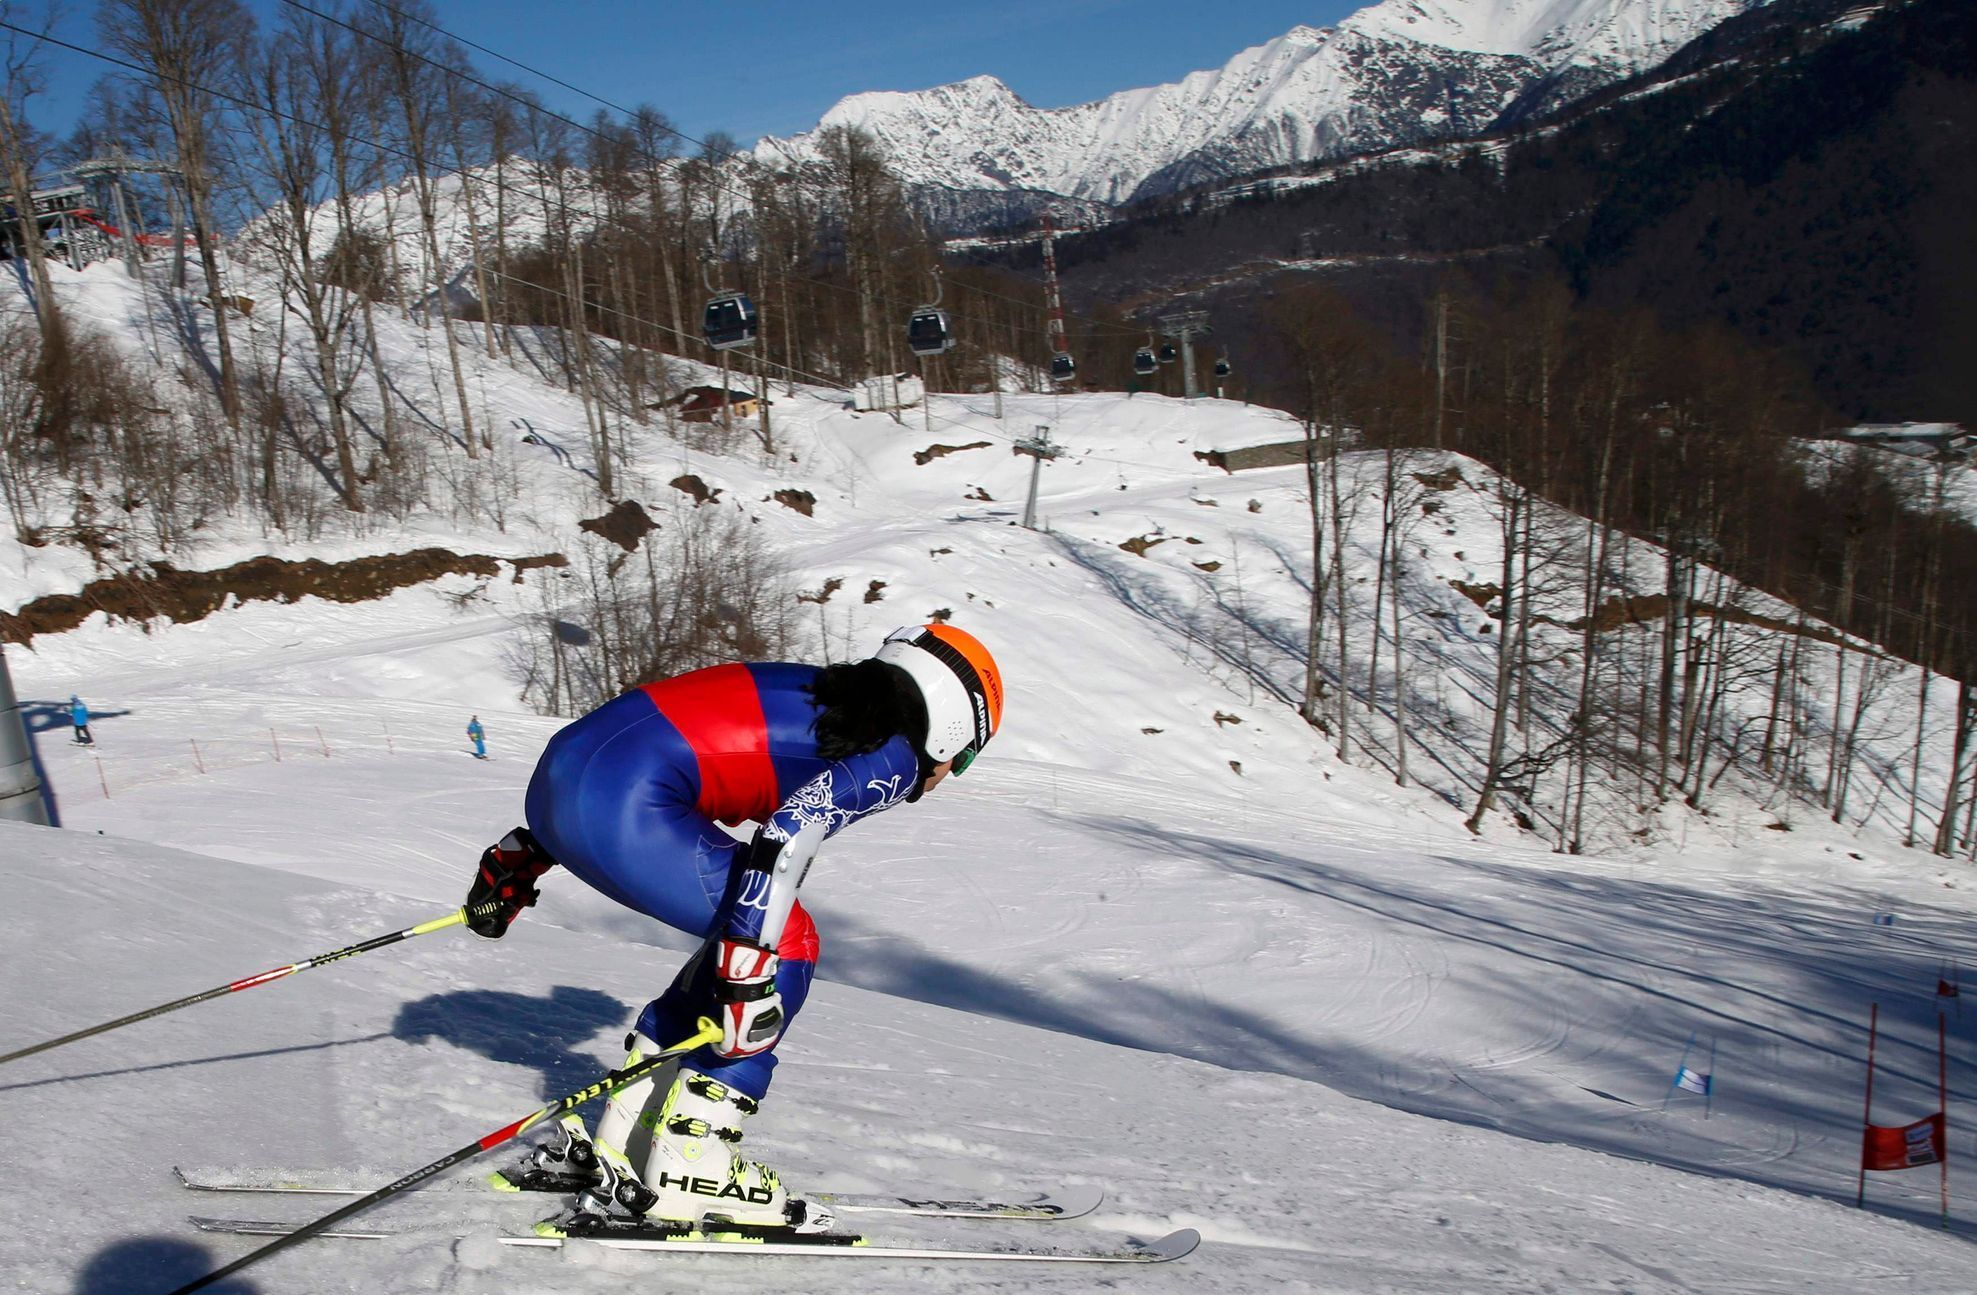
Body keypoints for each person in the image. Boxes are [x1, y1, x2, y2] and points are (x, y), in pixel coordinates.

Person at [463, 623, 1003, 1235]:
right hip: (623, 805)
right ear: (953, 724)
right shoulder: (894, 753)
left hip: (558, 781)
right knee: (788, 940)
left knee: (749, 925)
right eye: (963, 758)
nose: (947, 775)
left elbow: (651, 743)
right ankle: (694, 1165)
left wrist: (523, 854)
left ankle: (623, 1142)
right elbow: (786, 834)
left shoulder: (820, 690)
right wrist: (749, 973)